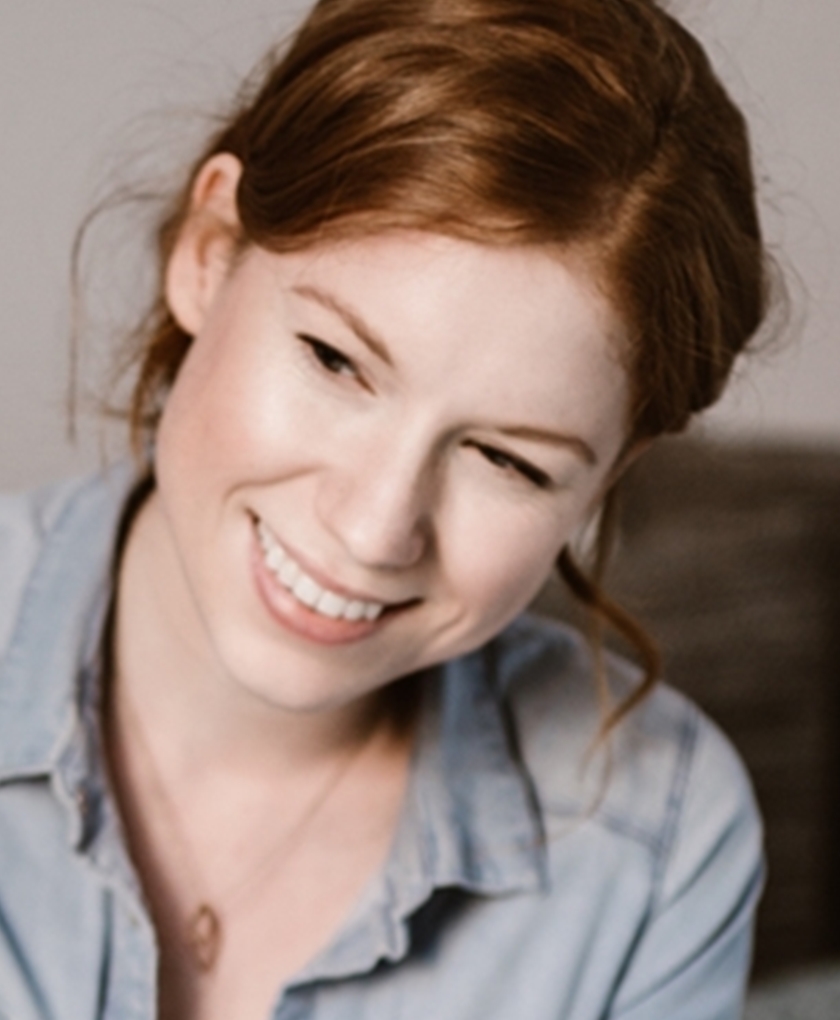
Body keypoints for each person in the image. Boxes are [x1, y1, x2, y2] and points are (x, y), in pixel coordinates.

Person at [0, 0, 771, 1017]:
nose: (371, 531)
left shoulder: (656, 845)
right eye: (335, 361)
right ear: (210, 253)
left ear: (608, 476)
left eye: (507, 460)